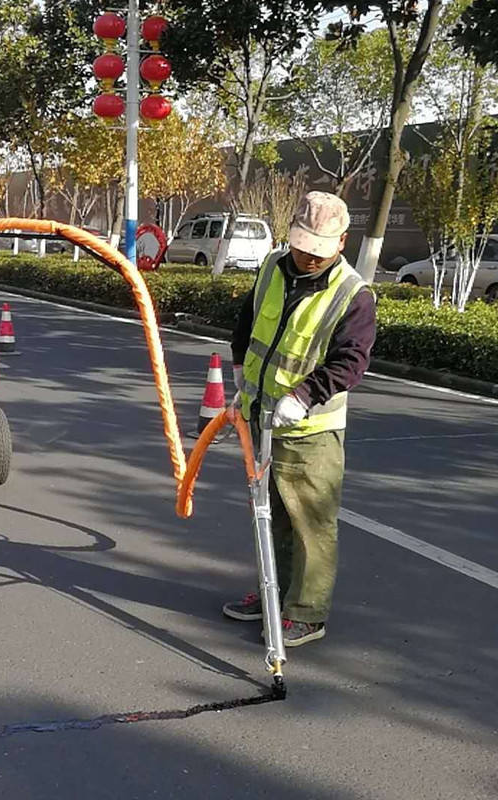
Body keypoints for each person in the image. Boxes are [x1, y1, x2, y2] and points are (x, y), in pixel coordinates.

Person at [222, 191, 376, 647]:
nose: (308, 257)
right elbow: (247, 322)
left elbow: (351, 361)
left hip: (310, 429)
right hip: (259, 416)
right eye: (302, 245)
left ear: (342, 242)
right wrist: (238, 370)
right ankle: (273, 592)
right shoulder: (272, 266)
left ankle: (307, 612)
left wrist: (305, 395)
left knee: (310, 522)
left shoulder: (353, 295)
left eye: (318, 249)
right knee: (268, 514)